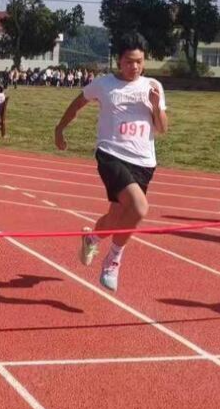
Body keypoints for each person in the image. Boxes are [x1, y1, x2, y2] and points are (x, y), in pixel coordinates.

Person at [53, 34, 168, 292]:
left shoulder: (153, 86)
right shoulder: (104, 84)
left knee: (116, 217)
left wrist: (156, 106)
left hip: (144, 162)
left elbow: (162, 128)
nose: (134, 67)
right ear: (119, 61)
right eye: (129, 62)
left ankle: (92, 238)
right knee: (139, 208)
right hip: (111, 155)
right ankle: (113, 260)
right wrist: (60, 128)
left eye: (139, 62)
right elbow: (77, 103)